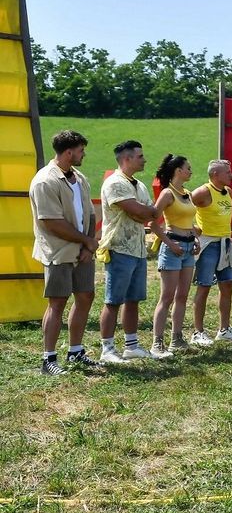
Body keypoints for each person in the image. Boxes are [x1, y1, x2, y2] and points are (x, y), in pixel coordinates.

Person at [29, 130, 101, 375]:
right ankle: (48, 360)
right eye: (81, 150)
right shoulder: (44, 181)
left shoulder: (79, 178)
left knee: (85, 296)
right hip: (58, 251)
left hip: (82, 250)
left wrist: (87, 244)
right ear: (69, 152)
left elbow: (90, 214)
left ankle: (75, 351)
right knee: (57, 302)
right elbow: (51, 222)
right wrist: (86, 242)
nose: (84, 154)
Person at [96, 140, 161, 363]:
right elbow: (137, 211)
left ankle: (131, 345)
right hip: (119, 248)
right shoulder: (114, 183)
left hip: (138, 250)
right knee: (113, 300)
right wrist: (146, 212)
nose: (144, 159)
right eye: (140, 156)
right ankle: (107, 349)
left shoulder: (139, 185)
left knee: (133, 299)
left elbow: (150, 214)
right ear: (127, 159)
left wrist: (146, 212)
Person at [190, 159, 232, 345]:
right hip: (208, 245)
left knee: (227, 284)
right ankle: (198, 332)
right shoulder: (203, 192)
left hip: (225, 243)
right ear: (215, 174)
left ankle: (224, 329)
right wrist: (193, 229)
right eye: (227, 172)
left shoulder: (227, 191)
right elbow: (180, 209)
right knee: (204, 286)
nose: (231, 175)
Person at [149, 154, 200, 357]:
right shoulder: (167, 194)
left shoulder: (186, 193)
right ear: (178, 171)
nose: (190, 171)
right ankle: (157, 342)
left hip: (188, 248)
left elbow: (189, 221)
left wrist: (195, 238)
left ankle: (176, 339)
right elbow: (152, 222)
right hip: (173, 248)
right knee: (167, 297)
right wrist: (169, 243)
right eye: (188, 168)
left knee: (182, 295)